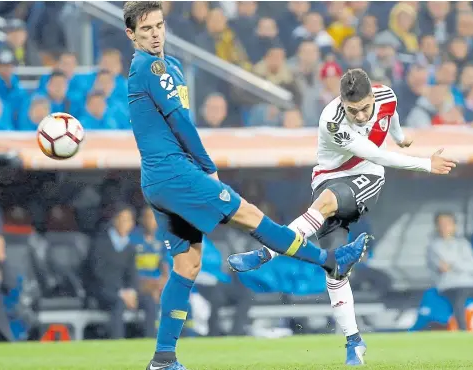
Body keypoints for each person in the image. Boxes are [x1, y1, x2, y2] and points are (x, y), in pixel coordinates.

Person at [123, 3, 370, 370]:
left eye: (159, 25)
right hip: (176, 172)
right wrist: (207, 169)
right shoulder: (153, 67)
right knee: (251, 216)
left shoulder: (163, 66)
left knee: (187, 266)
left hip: (157, 181)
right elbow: (181, 124)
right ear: (132, 35)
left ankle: (163, 359)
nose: (156, 33)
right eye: (146, 30)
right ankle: (331, 262)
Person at [228, 68, 458, 366]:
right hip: (328, 178)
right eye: (353, 110)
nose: (361, 116)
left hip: (367, 177)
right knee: (335, 270)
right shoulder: (332, 120)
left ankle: (265, 253)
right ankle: (354, 342)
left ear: (372, 96)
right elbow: (376, 152)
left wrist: (400, 138)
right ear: (341, 102)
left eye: (364, 108)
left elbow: (390, 121)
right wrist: (426, 163)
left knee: (323, 205)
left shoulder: (387, 95)